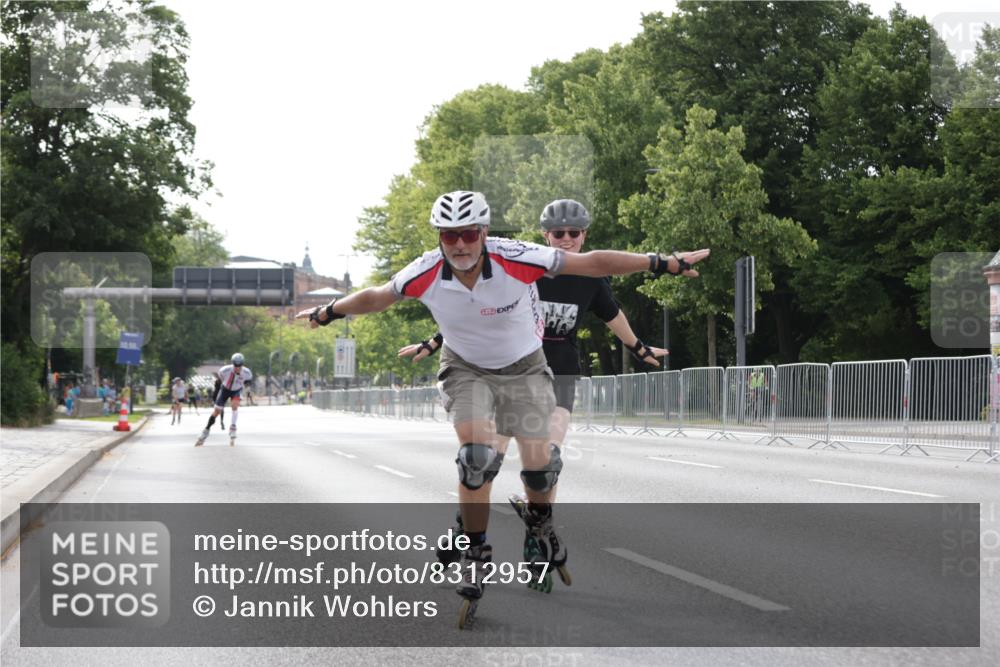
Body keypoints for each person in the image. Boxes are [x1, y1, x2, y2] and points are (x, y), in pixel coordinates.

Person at [296, 190, 708, 625]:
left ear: (484, 233)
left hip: (527, 368)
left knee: (541, 464)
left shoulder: (518, 257)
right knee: (476, 460)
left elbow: (595, 264)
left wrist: (662, 262)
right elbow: (377, 296)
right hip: (466, 367)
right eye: (449, 235)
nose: (459, 244)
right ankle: (476, 548)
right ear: (439, 236)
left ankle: (541, 521)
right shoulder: (427, 271)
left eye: (469, 234)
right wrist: (329, 312)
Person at [399, 199, 668, 585]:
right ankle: (466, 526)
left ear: (584, 235)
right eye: (558, 233)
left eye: (574, 234)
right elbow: (478, 311)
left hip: (560, 372)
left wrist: (638, 348)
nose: (566, 240)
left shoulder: (590, 277)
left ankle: (536, 530)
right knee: (487, 458)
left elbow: (613, 316)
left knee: (546, 462)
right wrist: (433, 341)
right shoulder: (531, 265)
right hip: (515, 369)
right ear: (547, 235)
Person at [195, 353, 252, 446]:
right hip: (225, 390)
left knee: (235, 406)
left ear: (243, 364)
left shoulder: (247, 372)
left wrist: (247, 390)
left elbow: (248, 382)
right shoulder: (225, 370)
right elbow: (220, 380)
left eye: (239, 366)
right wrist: (216, 392)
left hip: (236, 390)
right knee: (217, 411)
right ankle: (206, 430)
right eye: (235, 365)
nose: (237, 368)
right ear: (232, 363)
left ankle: (233, 428)